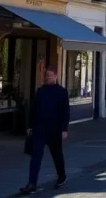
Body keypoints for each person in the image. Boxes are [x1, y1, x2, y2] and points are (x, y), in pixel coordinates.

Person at [20, 66, 69, 195]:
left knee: (57, 155)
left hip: (55, 130)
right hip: (39, 129)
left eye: (50, 75)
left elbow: (65, 111)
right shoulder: (40, 91)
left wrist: (64, 129)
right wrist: (30, 126)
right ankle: (32, 184)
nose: (47, 77)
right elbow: (33, 109)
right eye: (46, 75)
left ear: (56, 76)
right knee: (36, 156)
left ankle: (62, 176)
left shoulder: (62, 92)